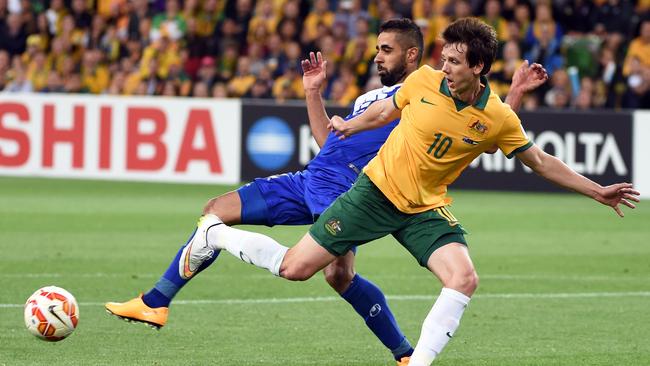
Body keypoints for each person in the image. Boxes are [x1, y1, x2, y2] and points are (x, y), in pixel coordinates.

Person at [106, 18, 550, 365]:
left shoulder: (422, 94)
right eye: (376, 48)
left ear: (412, 55)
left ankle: (404, 353)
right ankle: (155, 302)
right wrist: (313, 94)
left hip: (349, 189)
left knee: (332, 273)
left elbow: (472, 126)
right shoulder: (371, 99)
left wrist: (512, 95)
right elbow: (330, 142)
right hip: (311, 178)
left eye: (386, 50)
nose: (377, 57)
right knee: (216, 209)